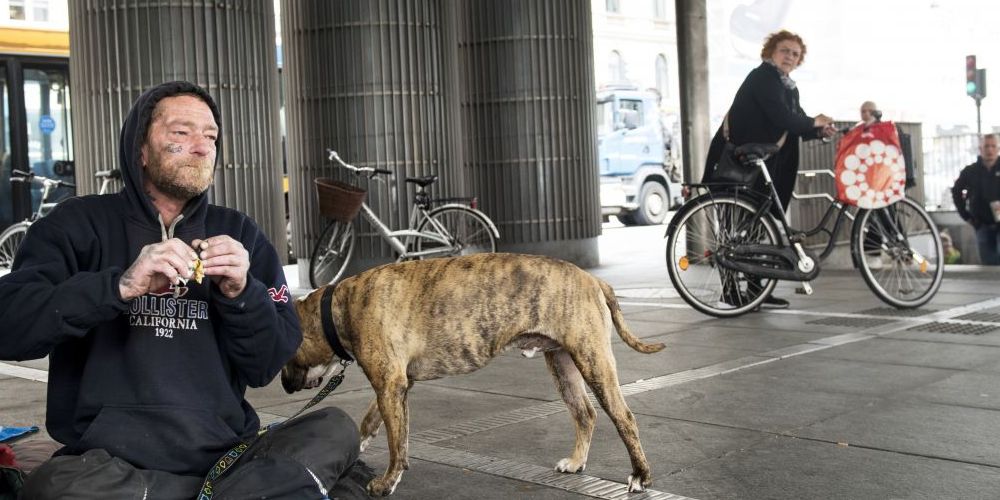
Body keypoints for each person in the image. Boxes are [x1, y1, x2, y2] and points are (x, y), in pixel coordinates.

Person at [0, 81, 369, 499]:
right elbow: (9, 323)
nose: (201, 147)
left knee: (335, 428)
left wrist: (241, 292)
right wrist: (120, 286)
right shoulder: (76, 225)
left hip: (226, 459)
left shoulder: (241, 234)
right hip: (112, 465)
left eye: (210, 136)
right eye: (181, 133)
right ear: (140, 148)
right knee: (54, 486)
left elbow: (268, 363)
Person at [703, 29, 836, 308]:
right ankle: (731, 290)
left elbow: (794, 121)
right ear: (771, 52)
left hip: (763, 164)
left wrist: (818, 131)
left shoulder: (788, 86)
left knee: (757, 228)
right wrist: (813, 122)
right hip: (740, 163)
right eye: (785, 50)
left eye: (795, 54)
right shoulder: (763, 77)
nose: (790, 57)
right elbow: (781, 116)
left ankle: (755, 289)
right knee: (735, 230)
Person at [952, 133, 1000, 265]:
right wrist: (966, 216)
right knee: (989, 266)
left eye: (993, 146)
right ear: (980, 148)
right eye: (986, 146)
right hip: (981, 225)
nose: (990, 150)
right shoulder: (970, 171)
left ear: (998, 148)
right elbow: (956, 192)